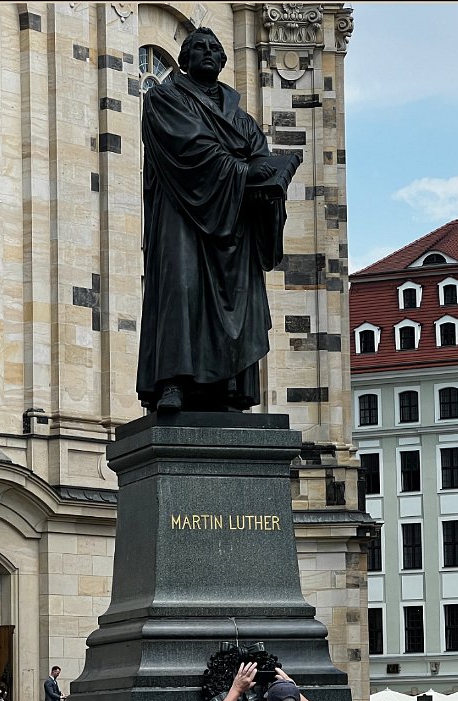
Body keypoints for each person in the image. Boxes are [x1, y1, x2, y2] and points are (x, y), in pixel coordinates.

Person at [136, 26, 298, 412]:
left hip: (233, 226)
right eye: (199, 47)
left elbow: (260, 158)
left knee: (236, 299)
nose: (207, 52)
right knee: (180, 287)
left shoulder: (241, 119)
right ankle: (173, 381)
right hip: (181, 212)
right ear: (185, 59)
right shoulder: (164, 99)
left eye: (214, 48)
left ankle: (228, 387)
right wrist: (246, 172)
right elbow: (189, 148)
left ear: (223, 61)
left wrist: (270, 182)